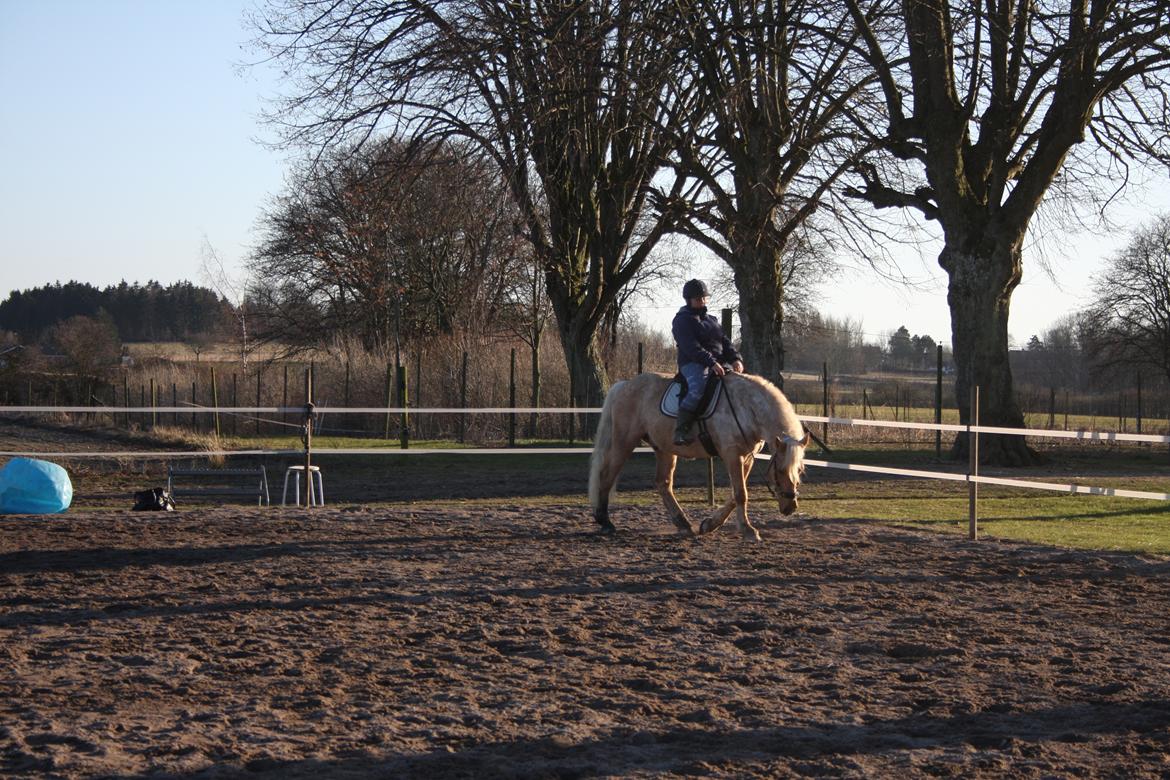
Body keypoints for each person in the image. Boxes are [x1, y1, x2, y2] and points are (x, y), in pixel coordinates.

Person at [671, 279, 744, 445]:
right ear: (688, 300)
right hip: (693, 363)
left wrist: (735, 359)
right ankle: (681, 430)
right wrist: (711, 362)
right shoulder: (681, 321)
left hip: (718, 363)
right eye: (698, 299)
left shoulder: (712, 320)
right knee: (698, 387)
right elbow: (691, 347)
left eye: (704, 298)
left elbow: (725, 342)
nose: (703, 301)